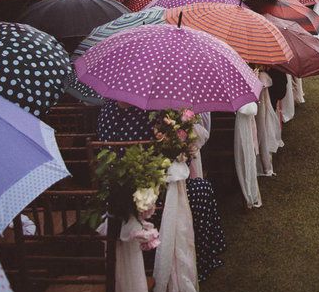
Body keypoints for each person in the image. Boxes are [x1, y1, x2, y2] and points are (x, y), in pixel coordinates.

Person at [96, 101, 227, 279]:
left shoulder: (106, 110)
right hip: (149, 195)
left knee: (198, 189)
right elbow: (172, 161)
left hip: (115, 195)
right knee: (201, 191)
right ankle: (203, 260)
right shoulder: (155, 111)